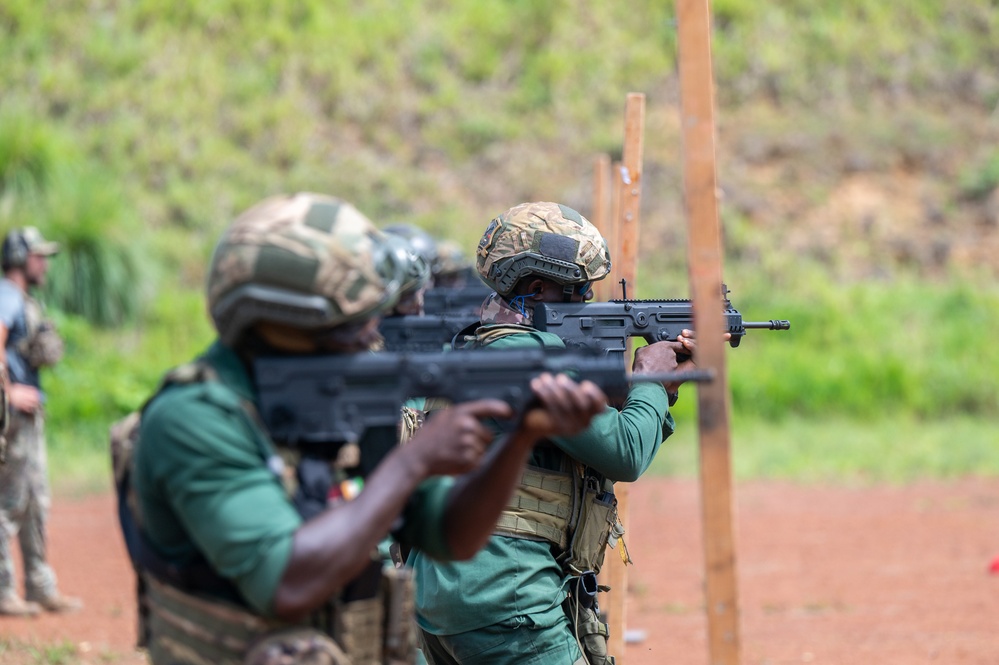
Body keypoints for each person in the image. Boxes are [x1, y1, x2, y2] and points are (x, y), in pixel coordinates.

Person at [127, 193, 608, 664]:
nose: (371, 336)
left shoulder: (330, 407)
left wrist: (520, 438)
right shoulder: (195, 418)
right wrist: (414, 461)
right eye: (348, 323)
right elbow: (287, 584)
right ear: (275, 325)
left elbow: (452, 537)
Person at [409, 201, 704, 665]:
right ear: (538, 287)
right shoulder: (530, 360)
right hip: (505, 593)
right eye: (578, 290)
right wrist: (650, 380)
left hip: (449, 591)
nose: (587, 300)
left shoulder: (477, 344)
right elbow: (624, 452)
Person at [0, 227, 81, 616]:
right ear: (20, 257)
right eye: (38, 255)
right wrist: (8, 391)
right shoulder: (6, 295)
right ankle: (3, 590)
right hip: (12, 416)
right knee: (10, 503)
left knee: (36, 501)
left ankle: (39, 584)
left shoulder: (22, 299)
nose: (44, 263)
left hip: (27, 418)